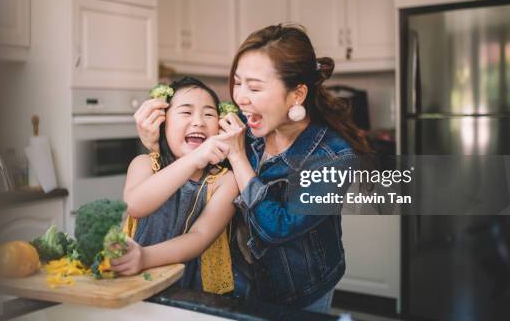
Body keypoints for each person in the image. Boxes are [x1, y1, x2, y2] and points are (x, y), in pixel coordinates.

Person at [134, 25, 371, 313]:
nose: (240, 98)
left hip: (301, 291)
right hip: (243, 283)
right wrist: (155, 143)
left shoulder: (334, 158)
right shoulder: (247, 132)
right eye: (237, 83)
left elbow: (276, 228)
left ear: (296, 95)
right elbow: (194, 172)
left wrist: (238, 157)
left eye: (255, 87)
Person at [111, 77, 241, 295]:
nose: (199, 121)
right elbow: (134, 205)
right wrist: (193, 160)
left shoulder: (226, 181)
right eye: (186, 112)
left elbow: (199, 237)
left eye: (209, 114)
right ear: (164, 123)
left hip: (195, 290)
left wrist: (145, 258)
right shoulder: (144, 164)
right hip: (136, 282)